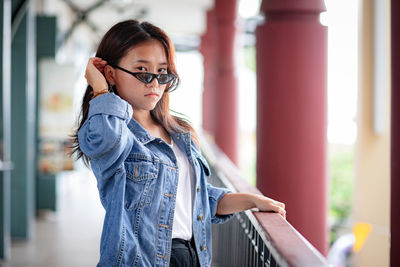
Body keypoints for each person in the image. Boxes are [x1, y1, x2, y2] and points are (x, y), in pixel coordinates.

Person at [72, 20, 286, 267]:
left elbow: (200, 199)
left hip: (192, 256)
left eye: (162, 72)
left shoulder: (179, 132)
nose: (154, 82)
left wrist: (252, 200)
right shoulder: (112, 131)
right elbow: (106, 144)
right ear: (111, 73)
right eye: (142, 70)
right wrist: (100, 90)